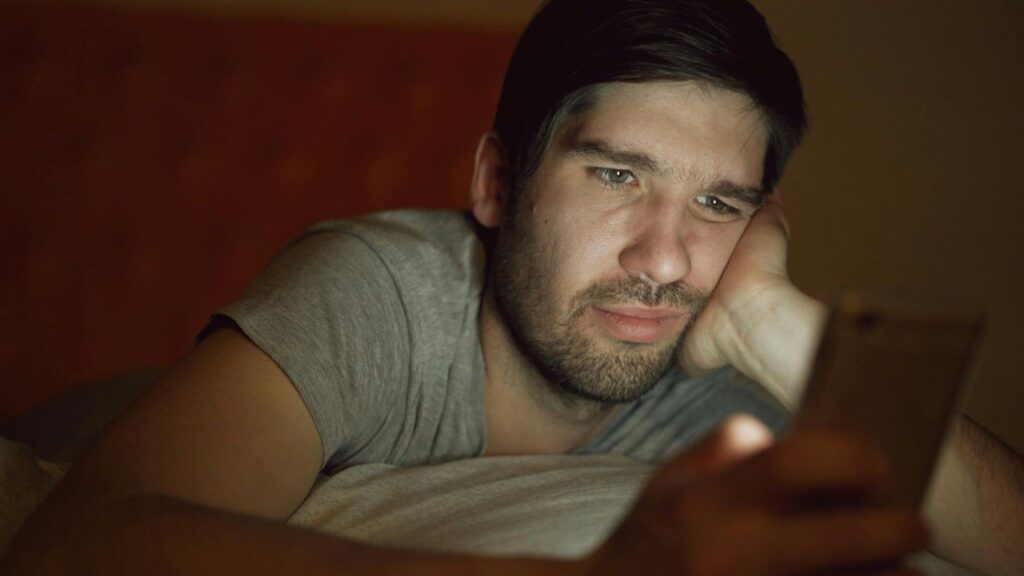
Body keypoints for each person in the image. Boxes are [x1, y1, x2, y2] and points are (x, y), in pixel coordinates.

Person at [4, 0, 1022, 574]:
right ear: (498, 181)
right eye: (617, 175)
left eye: (718, 203)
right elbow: (80, 543)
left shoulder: (711, 351)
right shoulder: (374, 293)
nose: (663, 261)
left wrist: (766, 321)